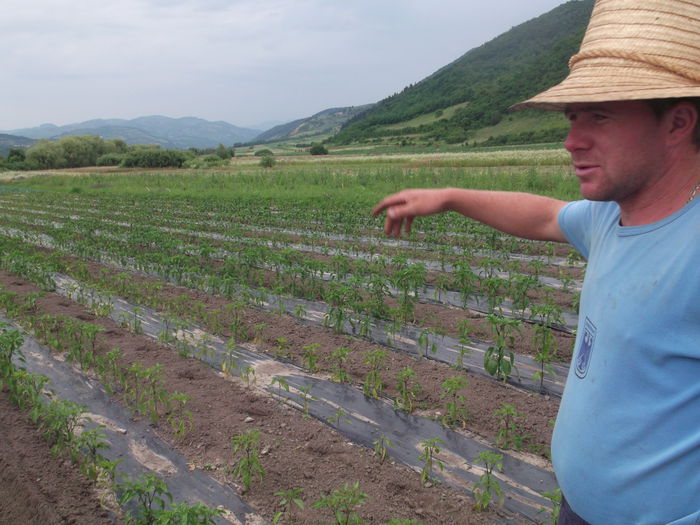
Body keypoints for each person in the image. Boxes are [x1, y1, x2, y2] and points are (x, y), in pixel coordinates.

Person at [372, 1, 700, 523]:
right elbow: (546, 216)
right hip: (580, 506)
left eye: (600, 116)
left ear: (678, 121)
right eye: (573, 118)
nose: (572, 141)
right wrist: (451, 195)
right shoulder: (610, 218)